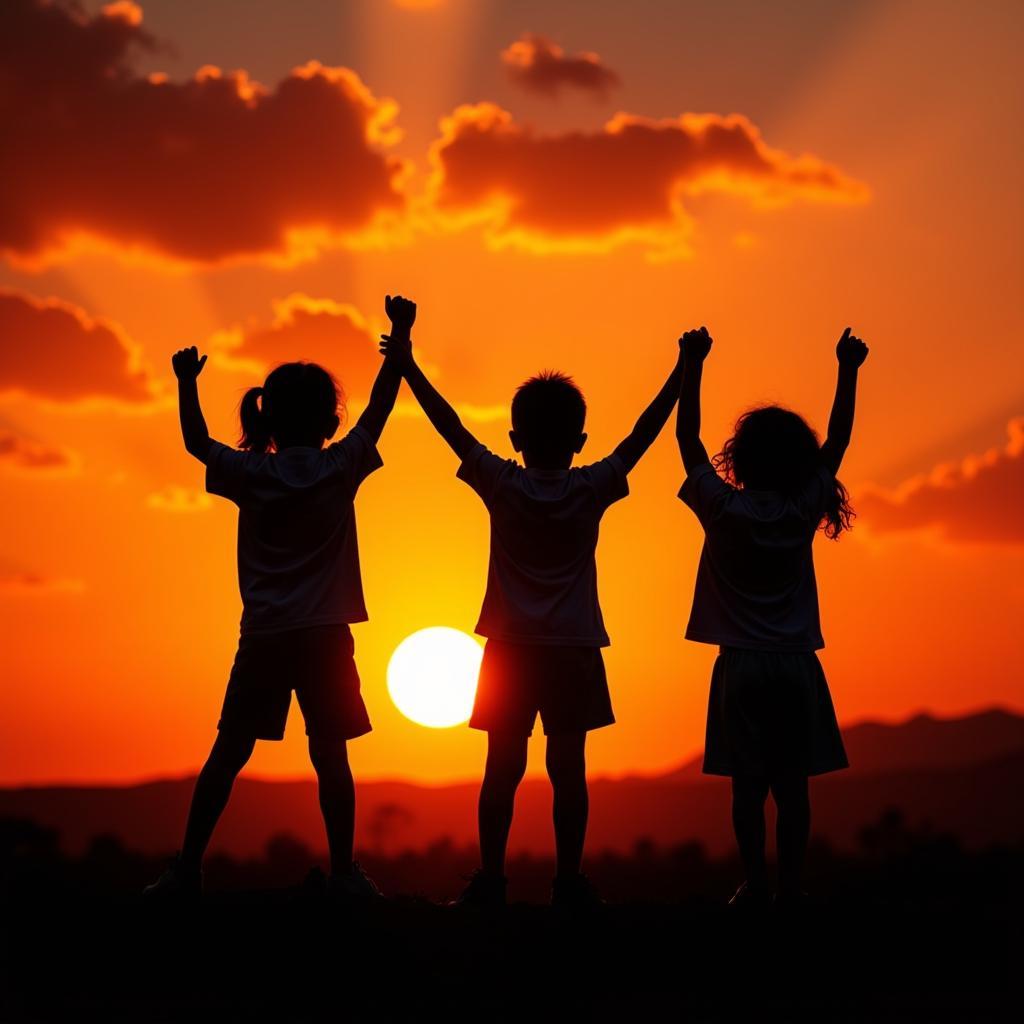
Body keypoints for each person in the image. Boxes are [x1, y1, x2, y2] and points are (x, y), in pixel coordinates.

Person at [380, 302, 685, 909]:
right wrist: (683, 370)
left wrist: (407, 357)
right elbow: (643, 435)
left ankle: (491, 881)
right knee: (568, 770)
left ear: (515, 438)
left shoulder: (502, 483)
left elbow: (449, 426)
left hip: (510, 650)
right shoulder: (592, 486)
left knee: (501, 769)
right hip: (573, 650)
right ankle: (568, 882)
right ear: (579, 440)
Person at [143, 295, 415, 902]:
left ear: (269, 420)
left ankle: (186, 870)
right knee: (332, 758)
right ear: (330, 421)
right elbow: (382, 406)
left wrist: (186, 383)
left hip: (264, 636)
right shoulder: (342, 464)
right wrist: (398, 338)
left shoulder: (251, 473)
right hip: (325, 636)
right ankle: (345, 874)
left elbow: (195, 442)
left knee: (227, 754)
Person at [676, 325, 867, 909]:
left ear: (740, 458)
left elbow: (686, 436)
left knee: (747, 786)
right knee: (792, 786)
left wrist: (692, 363)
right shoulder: (801, 506)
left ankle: (754, 886)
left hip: (740, 666)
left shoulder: (722, 507)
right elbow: (838, 440)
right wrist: (848, 369)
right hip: (795, 665)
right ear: (799, 461)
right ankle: (790, 888)